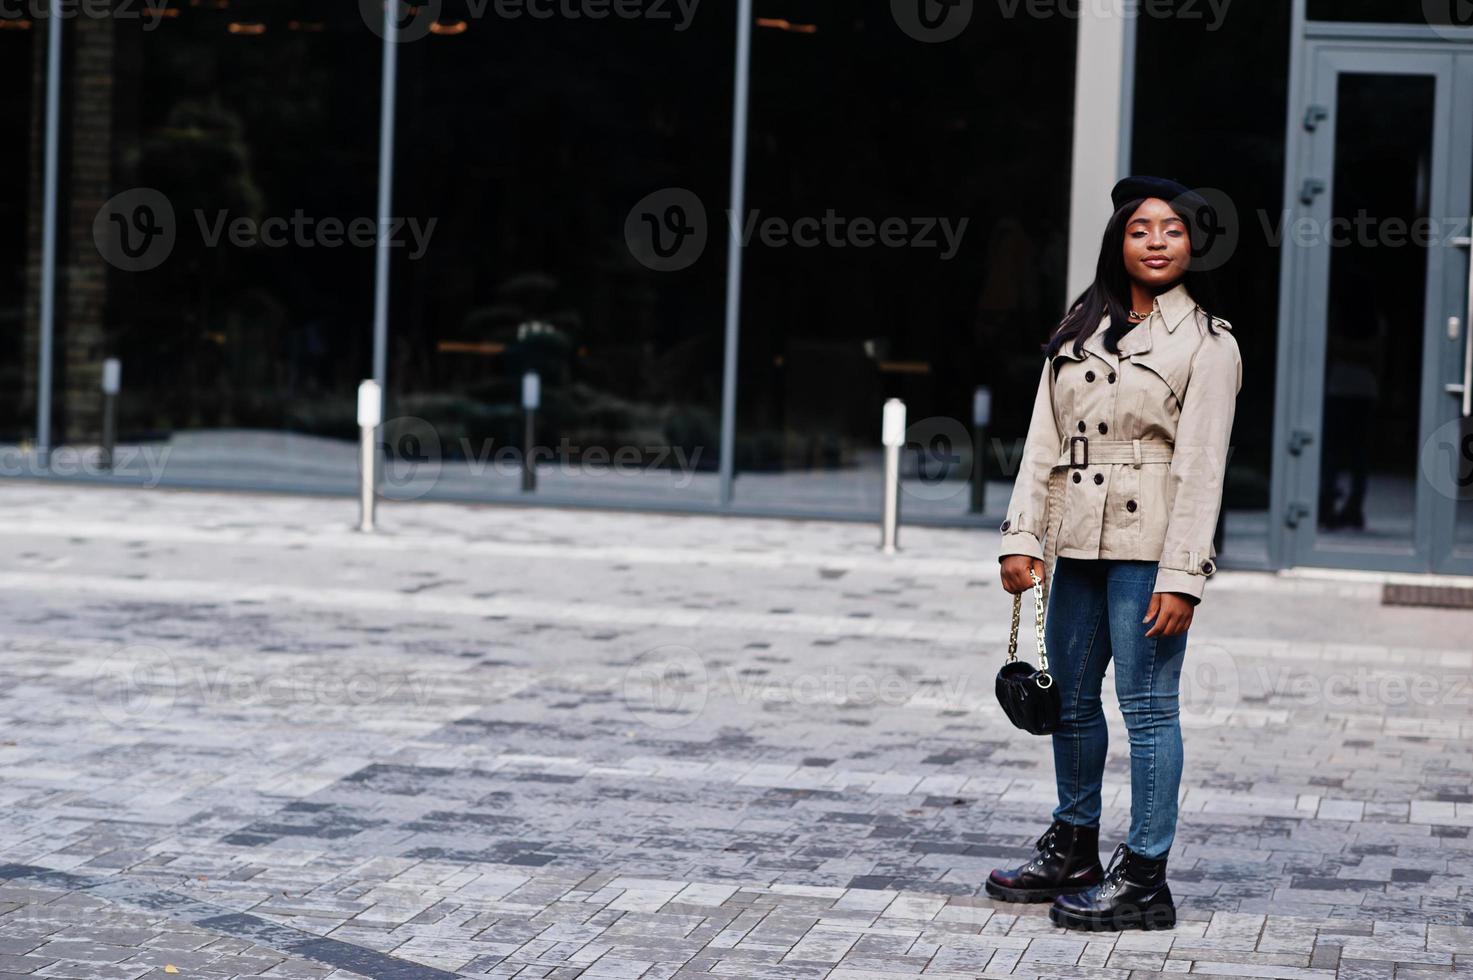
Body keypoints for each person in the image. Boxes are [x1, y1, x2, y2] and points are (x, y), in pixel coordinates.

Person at [984, 176, 1243, 931]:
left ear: (1192, 245)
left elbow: (1202, 469)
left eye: (1171, 229)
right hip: (1077, 543)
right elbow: (1042, 442)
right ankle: (1072, 846)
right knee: (1067, 698)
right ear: (1117, 242)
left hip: (1149, 549)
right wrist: (1021, 537)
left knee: (1147, 709)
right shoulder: (1079, 330)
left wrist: (1182, 576)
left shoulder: (1207, 342)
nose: (1156, 241)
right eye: (1140, 230)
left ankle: (1144, 877)